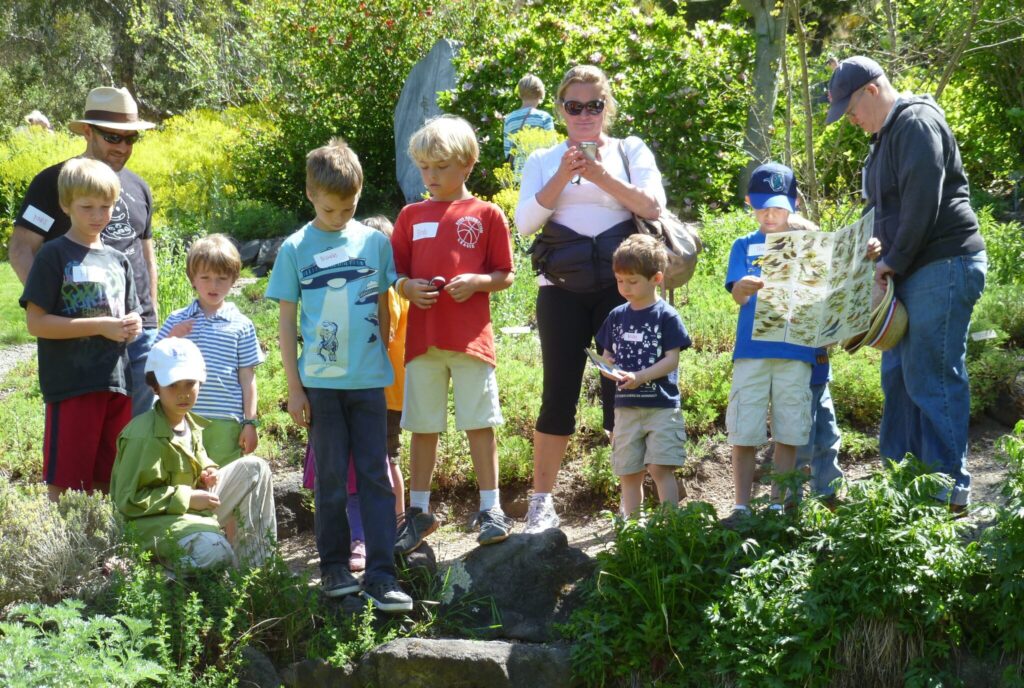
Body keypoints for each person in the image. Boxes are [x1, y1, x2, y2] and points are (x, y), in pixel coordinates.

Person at [825, 56, 987, 510]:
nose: (850, 120)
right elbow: (882, 211)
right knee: (897, 377)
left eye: (851, 109)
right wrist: (863, 249)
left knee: (930, 374)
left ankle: (946, 489)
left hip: (943, 263)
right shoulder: (882, 141)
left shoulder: (916, 122)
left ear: (871, 91)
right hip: (909, 270)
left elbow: (922, 203)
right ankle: (901, 484)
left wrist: (890, 261)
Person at [514, 64, 666, 533]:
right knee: (557, 394)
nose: (584, 114)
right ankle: (541, 503)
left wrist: (599, 174)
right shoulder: (543, 158)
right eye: (574, 106)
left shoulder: (628, 150)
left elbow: (652, 206)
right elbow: (524, 223)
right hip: (560, 291)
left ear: (607, 109)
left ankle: (631, 509)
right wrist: (564, 173)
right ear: (560, 109)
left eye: (594, 106)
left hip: (623, 294)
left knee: (622, 391)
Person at [265, 138, 412, 612]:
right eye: (330, 209)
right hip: (322, 388)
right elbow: (287, 324)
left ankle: (382, 574)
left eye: (348, 208)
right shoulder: (294, 248)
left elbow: (386, 310)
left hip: (370, 383)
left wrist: (381, 360)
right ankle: (331, 568)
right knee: (330, 478)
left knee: (376, 475)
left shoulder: (374, 242)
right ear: (311, 195)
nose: (340, 217)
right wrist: (295, 387)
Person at [390, 115, 515, 552]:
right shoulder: (409, 216)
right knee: (422, 426)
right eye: (424, 168)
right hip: (422, 342)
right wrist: (407, 288)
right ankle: (419, 512)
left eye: (440, 167)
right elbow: (396, 274)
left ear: (467, 164)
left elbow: (505, 274)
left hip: (471, 341)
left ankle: (490, 508)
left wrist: (477, 282)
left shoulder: (487, 213)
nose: (431, 177)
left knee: (480, 423)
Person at [9, 86, 159, 417]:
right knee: (86, 439)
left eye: (131, 138)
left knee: (138, 436)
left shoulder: (138, 187)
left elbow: (146, 256)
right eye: (112, 137)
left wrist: (151, 319)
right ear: (88, 131)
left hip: (138, 333)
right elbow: (21, 248)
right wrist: (51, 308)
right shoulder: (53, 183)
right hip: (81, 340)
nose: (122, 147)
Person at [19, 158, 141, 503]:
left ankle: (100, 552)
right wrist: (100, 326)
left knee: (108, 474)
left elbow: (127, 315)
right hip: (71, 385)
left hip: (117, 383)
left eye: (106, 207)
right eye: (87, 207)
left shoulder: (119, 260)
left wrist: (132, 325)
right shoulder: (53, 255)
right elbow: (36, 322)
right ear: (65, 206)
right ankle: (64, 553)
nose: (97, 216)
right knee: (66, 479)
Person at [299, 215, 407, 574]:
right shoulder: (306, 256)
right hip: (331, 386)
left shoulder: (390, 293)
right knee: (339, 473)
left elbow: (385, 334)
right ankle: (344, 552)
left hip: (380, 391)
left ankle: (389, 534)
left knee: (379, 468)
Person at [110, 337, 276, 569]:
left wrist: (208, 471)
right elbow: (127, 501)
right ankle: (156, 579)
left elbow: (195, 461)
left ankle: (255, 575)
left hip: (189, 510)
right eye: (173, 385)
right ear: (154, 385)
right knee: (215, 550)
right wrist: (186, 498)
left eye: (190, 383)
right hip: (153, 525)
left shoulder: (189, 423)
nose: (183, 393)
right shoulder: (141, 435)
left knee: (255, 469)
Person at [724, 163, 818, 519]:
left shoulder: (808, 245)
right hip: (752, 351)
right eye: (762, 205)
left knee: (789, 427)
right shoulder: (743, 244)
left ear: (793, 204)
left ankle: (779, 503)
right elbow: (736, 294)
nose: (770, 213)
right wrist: (743, 289)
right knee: (744, 427)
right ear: (750, 202)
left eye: (778, 206)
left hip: (795, 350)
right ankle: (741, 505)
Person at [595, 234, 691, 516]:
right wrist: (607, 363)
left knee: (660, 467)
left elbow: (671, 360)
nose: (624, 287)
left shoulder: (666, 315)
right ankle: (632, 530)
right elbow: (605, 355)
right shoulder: (616, 315)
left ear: (656, 278)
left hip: (661, 406)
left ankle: (670, 526)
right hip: (626, 408)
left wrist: (641, 376)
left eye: (632, 281)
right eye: (619, 280)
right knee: (628, 472)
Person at [157, 234, 265, 466]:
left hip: (226, 422)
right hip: (180, 418)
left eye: (221, 278)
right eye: (205, 277)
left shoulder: (241, 324)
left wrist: (250, 422)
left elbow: (248, 378)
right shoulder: (178, 319)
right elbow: (154, 363)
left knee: (224, 487)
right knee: (183, 484)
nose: (213, 285)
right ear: (192, 278)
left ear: (234, 279)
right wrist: (171, 337)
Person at [795, 351, 843, 500]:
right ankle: (791, 501)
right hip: (799, 377)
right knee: (800, 444)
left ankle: (828, 493)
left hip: (820, 373)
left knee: (828, 437)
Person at [503, 74, 555, 162]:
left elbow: (507, 151)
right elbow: (552, 147)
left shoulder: (509, 119)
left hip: (518, 171)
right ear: (540, 94)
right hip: (540, 168)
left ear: (520, 94)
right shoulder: (544, 117)